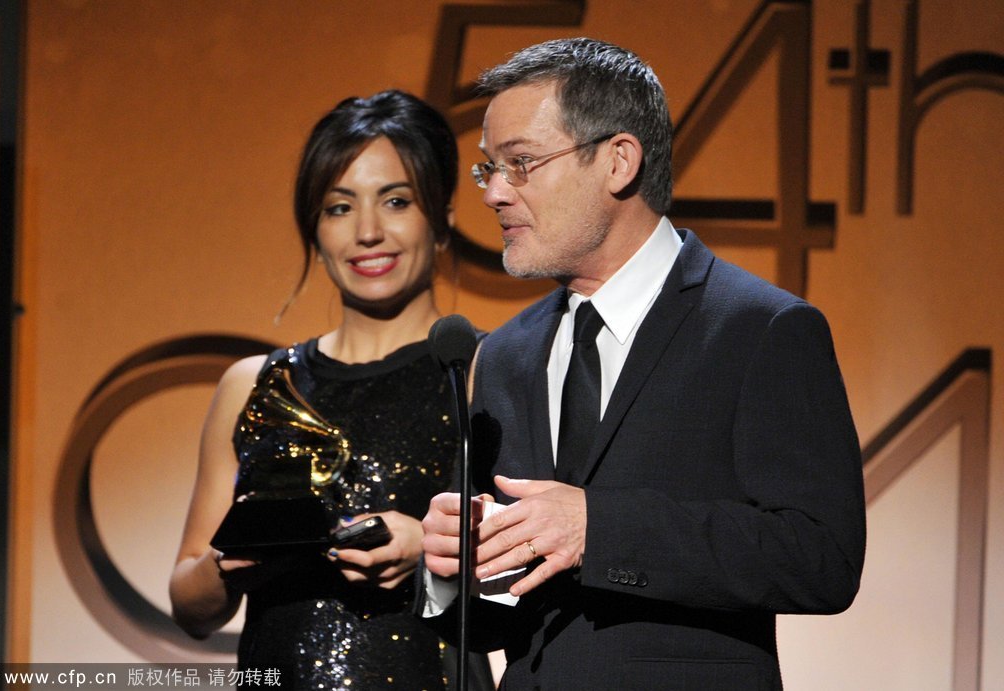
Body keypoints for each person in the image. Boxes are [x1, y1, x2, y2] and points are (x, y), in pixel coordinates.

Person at [420, 38, 867, 690]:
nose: (493, 194)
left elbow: (821, 558)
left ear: (619, 161)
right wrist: (452, 566)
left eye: (520, 163)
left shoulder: (761, 329)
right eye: (488, 169)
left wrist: (600, 528)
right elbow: (494, 623)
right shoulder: (505, 354)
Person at [169, 89, 488, 689]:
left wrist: (430, 544)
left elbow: (545, 556)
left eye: (396, 201)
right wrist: (232, 564)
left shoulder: (481, 368)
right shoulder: (254, 385)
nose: (368, 232)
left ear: (442, 219)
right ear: (314, 233)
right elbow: (190, 606)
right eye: (339, 208)